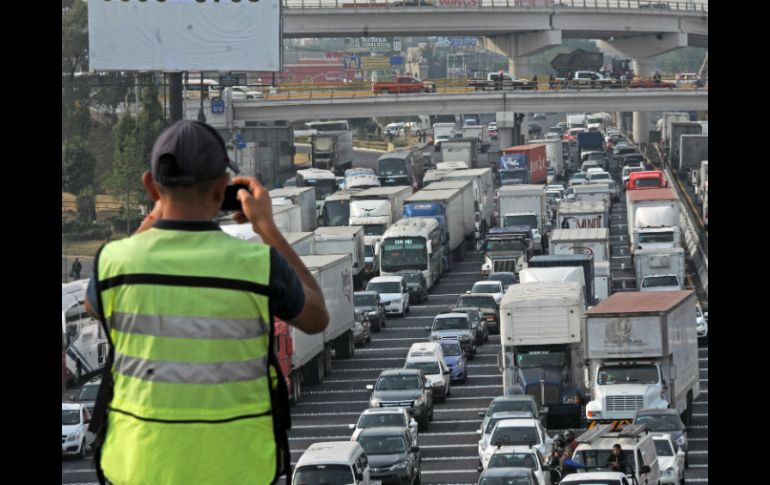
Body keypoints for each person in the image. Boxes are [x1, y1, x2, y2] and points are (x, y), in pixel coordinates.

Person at [83, 120, 330, 485]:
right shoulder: (259, 265)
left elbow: (92, 304)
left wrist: (158, 210)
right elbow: (316, 317)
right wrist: (267, 229)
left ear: (151, 186)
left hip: (137, 469)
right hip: (238, 471)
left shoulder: (114, 263)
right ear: (221, 189)